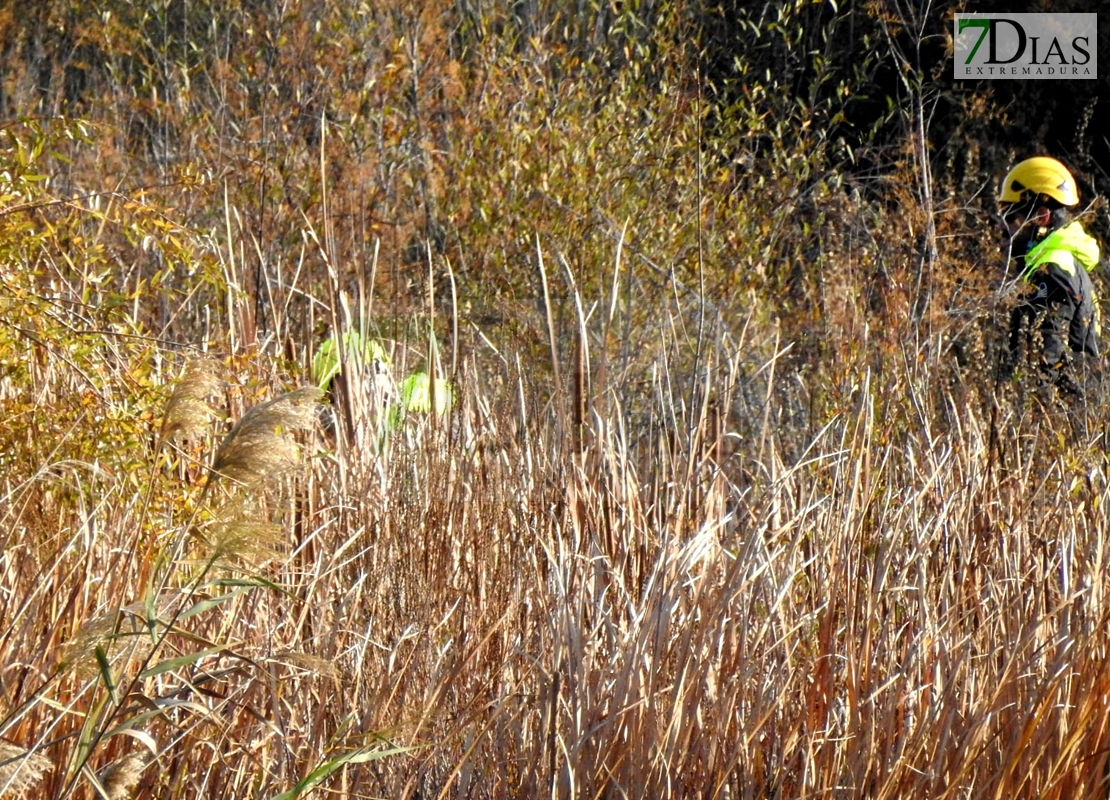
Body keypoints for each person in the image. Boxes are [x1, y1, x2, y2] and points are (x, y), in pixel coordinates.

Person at [999, 156, 1102, 397]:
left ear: (1042, 216)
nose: (1007, 229)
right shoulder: (1054, 263)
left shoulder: (1054, 269)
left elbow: (1049, 355)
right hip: (1075, 404)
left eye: (1013, 218)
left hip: (1065, 410)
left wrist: (1035, 409)